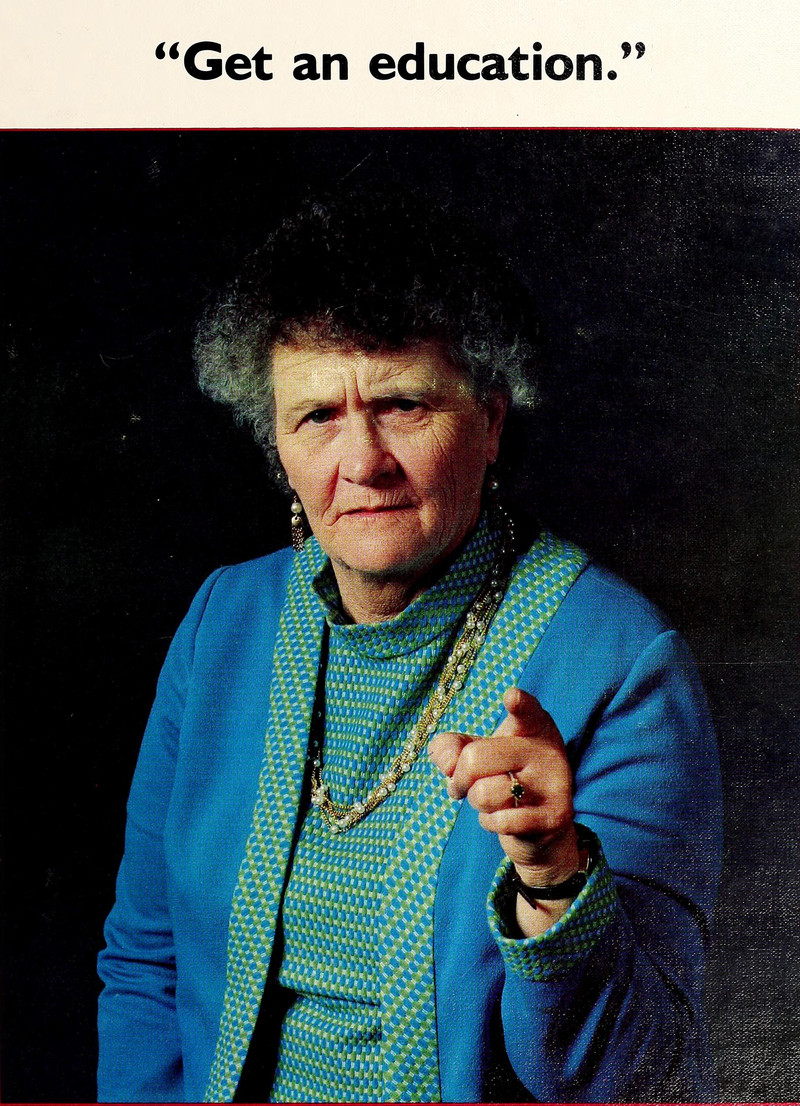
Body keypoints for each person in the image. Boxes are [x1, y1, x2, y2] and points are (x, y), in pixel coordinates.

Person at [97, 192, 722, 1104]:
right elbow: (146, 966)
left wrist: (554, 875)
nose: (363, 462)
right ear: (277, 444)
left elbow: (643, 1081)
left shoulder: (621, 662)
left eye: (401, 404)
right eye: (317, 416)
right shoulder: (223, 620)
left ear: (492, 419)